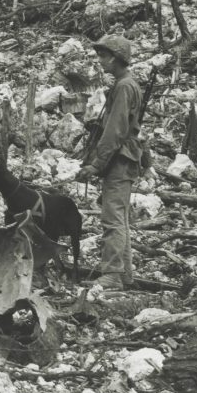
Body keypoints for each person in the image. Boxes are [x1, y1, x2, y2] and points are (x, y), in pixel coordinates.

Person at [77, 34, 143, 291]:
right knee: (120, 218)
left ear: (116, 58)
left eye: (103, 56)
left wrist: (97, 164)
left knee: (112, 219)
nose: (100, 61)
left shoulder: (125, 87)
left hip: (119, 159)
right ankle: (123, 274)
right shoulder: (126, 84)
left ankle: (113, 274)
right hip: (124, 158)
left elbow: (115, 130)